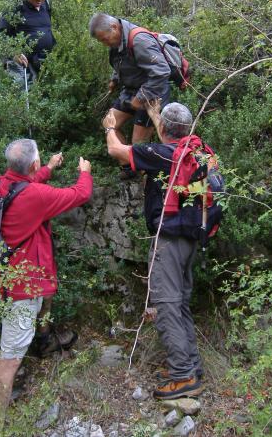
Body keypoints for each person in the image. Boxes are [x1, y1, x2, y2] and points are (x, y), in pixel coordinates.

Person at [103, 102, 211, 400]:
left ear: (163, 129)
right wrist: (156, 114)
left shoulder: (162, 155)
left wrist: (111, 126)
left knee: (166, 306)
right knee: (180, 305)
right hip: (191, 239)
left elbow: (117, 151)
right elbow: (171, 136)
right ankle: (191, 367)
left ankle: (182, 377)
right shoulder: (196, 149)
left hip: (169, 241)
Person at [0, 138, 92, 410]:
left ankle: (44, 340)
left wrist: (48, 166)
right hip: (20, 288)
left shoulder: (2, 184)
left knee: (47, 294)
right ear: (31, 164)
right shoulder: (34, 196)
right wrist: (85, 173)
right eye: (39, 163)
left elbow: (30, 182)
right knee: (9, 359)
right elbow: (79, 194)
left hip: (13, 275)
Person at [89, 12, 171, 178]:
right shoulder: (117, 40)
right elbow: (121, 63)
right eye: (101, 41)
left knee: (138, 143)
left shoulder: (140, 40)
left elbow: (162, 71)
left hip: (152, 93)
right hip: (130, 90)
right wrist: (114, 79)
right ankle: (129, 167)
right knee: (109, 124)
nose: (105, 44)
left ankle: (146, 180)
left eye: (105, 39)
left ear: (114, 27)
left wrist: (140, 97)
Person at [0, 0, 56, 84]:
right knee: (24, 100)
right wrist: (14, 52)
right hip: (23, 67)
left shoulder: (46, 4)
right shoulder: (15, 6)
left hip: (44, 64)